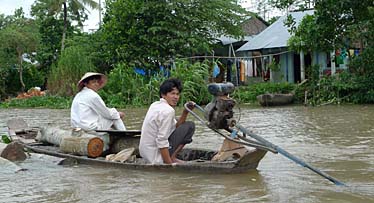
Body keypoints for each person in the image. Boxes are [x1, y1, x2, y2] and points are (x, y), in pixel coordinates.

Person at [139, 78, 195, 164]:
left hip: (145, 153)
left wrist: (185, 112)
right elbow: (162, 140)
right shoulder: (168, 111)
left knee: (181, 123)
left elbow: (176, 127)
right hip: (155, 157)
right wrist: (169, 164)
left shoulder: (155, 105)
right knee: (190, 126)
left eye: (177, 94)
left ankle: (171, 157)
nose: (176, 97)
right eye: (172, 94)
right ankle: (171, 158)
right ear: (163, 95)